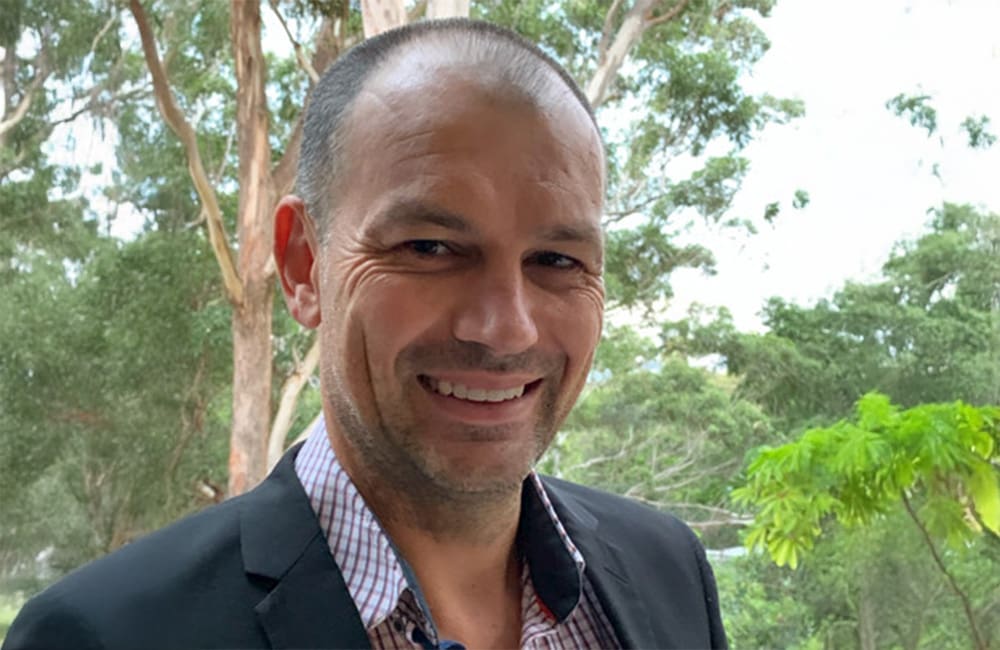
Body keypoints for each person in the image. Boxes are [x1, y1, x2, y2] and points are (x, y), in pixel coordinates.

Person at [3, 18, 726, 650]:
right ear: (303, 265)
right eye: (429, 248)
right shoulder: (107, 635)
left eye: (557, 261)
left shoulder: (667, 571)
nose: (505, 327)